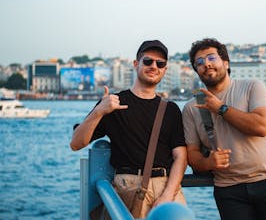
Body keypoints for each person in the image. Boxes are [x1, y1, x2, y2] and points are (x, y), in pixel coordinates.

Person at [70, 40, 187, 219]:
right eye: (148, 61)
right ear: (135, 64)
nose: (154, 66)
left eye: (160, 63)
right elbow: (76, 143)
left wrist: (167, 195)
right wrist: (99, 111)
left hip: (165, 186)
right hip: (127, 187)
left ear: (165, 69)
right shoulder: (113, 103)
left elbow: (180, 156)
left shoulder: (171, 109)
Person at [182, 38, 266, 220]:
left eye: (211, 58)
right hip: (229, 189)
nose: (206, 64)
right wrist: (208, 163)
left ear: (226, 63)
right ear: (197, 71)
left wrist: (220, 108)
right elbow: (192, 153)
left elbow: (262, 126)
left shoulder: (252, 86)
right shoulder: (190, 108)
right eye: (199, 63)